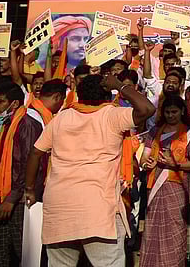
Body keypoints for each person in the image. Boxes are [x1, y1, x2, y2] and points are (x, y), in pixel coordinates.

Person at [25, 73, 156, 267]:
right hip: (98, 210)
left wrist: (29, 189)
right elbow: (147, 108)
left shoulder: (62, 117)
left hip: (60, 208)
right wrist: (119, 85)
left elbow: (36, 153)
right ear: (107, 95)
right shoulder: (112, 115)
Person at [0, 78, 66, 267]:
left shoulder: (27, 123)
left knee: (25, 254)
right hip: (2, 195)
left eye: (0, 102)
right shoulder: (8, 122)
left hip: (20, 200)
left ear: (13, 103)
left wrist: (12, 198)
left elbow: (28, 163)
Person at [140, 95, 190, 267]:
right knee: (153, 230)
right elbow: (144, 158)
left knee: (174, 231)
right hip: (155, 187)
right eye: (167, 112)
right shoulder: (154, 132)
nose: (170, 115)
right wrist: (147, 163)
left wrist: (175, 164)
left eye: (174, 112)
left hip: (177, 189)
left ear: (182, 111)